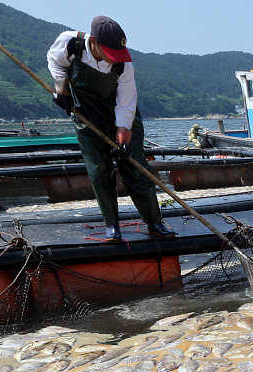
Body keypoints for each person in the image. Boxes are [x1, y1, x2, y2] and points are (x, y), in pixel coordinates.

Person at [47, 16, 175, 242]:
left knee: (134, 168)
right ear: (94, 41)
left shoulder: (124, 64)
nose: (113, 59)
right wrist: (61, 87)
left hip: (122, 114)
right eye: (109, 53)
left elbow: (126, 103)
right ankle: (112, 227)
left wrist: (122, 138)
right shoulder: (70, 44)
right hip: (87, 116)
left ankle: (154, 222)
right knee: (99, 171)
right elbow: (55, 61)